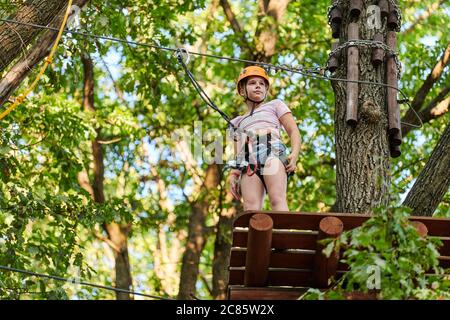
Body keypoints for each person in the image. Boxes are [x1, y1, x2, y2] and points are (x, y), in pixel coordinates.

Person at [228, 65, 301, 211]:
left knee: (277, 198)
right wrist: (234, 173)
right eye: (252, 83)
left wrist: (294, 153)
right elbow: (239, 153)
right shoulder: (236, 122)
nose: (258, 86)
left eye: (262, 84)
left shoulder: (275, 105)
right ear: (242, 90)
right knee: (250, 207)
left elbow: (293, 131)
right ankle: (255, 233)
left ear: (266, 90)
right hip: (249, 162)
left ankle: (283, 233)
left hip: (272, 152)